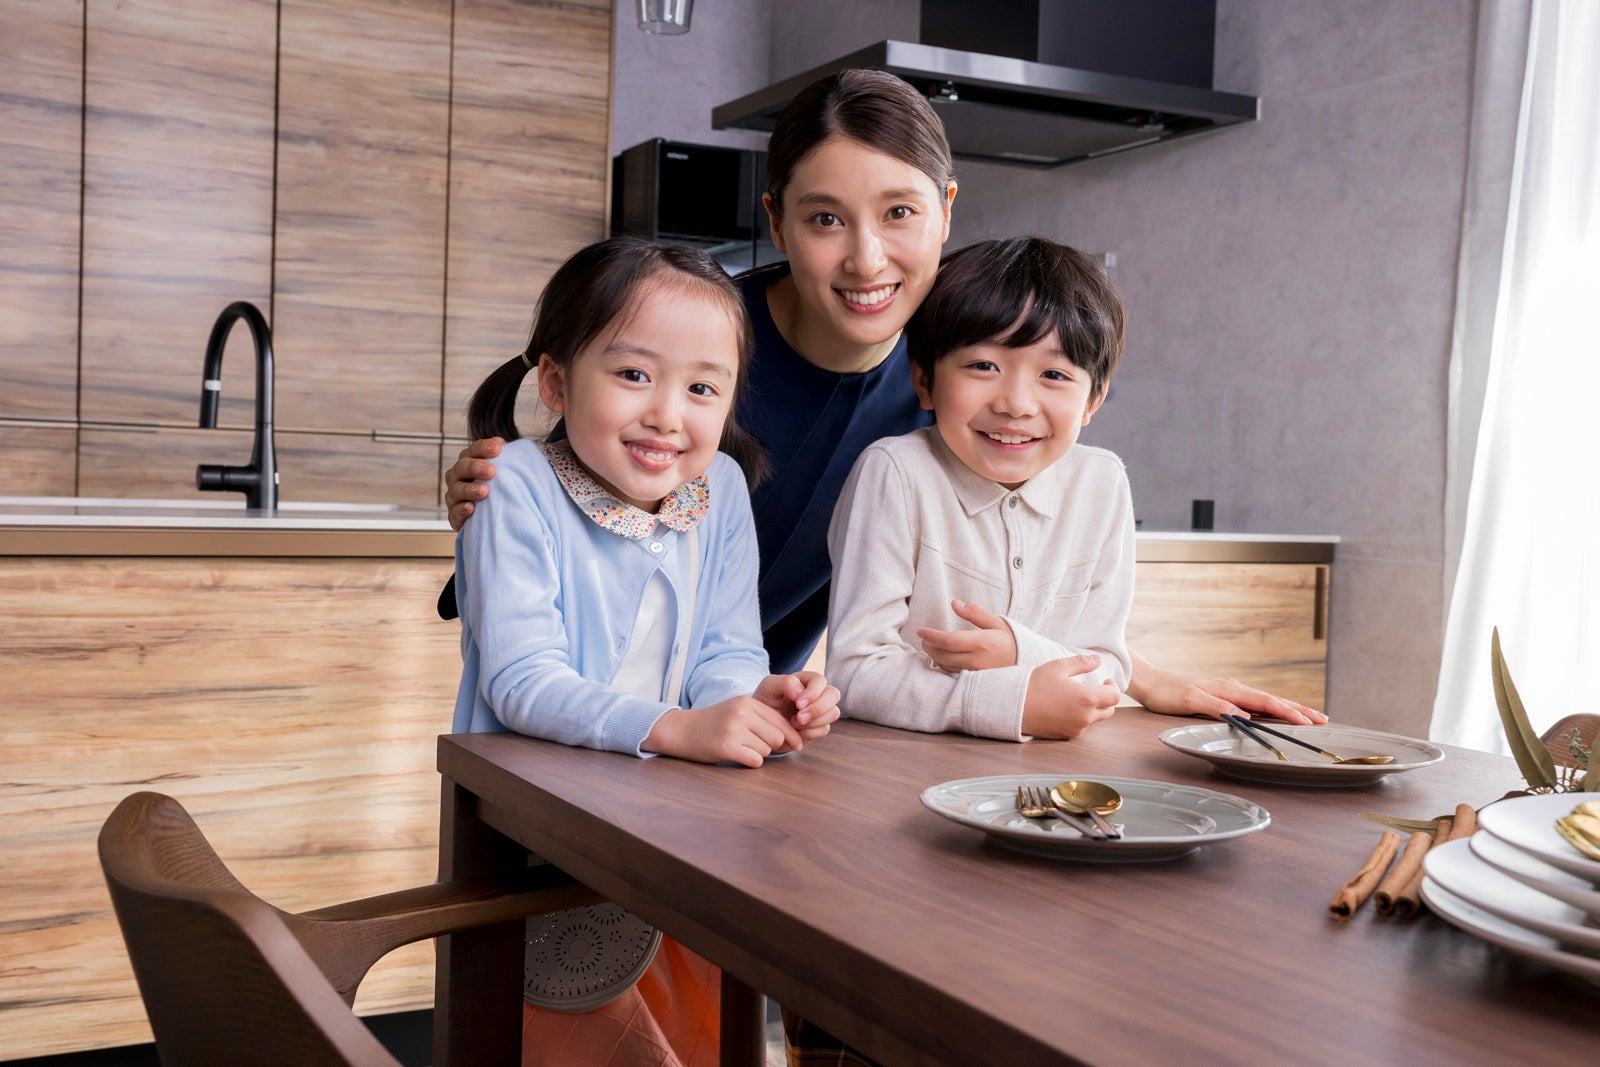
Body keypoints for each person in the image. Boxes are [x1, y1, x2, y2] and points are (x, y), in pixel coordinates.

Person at [443, 68, 1325, 730]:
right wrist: (499, 474)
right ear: (778, 219)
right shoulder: (702, 349)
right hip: (606, 706)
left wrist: (1134, 674)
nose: (867, 260)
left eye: (899, 213)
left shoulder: (956, 377)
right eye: (826, 219)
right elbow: (558, 537)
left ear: (945, 209)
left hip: (748, 702)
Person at [453, 235, 841, 1065]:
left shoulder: (722, 488)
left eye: (703, 387)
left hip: (672, 823)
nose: (669, 413)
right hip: (538, 832)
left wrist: (748, 701)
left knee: (700, 1019)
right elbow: (522, 680)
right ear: (557, 380)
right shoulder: (515, 483)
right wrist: (677, 728)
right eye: (634, 375)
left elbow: (727, 648)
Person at [828, 235, 1134, 741]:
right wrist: (1010, 701)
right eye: (983, 366)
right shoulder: (895, 472)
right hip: (903, 769)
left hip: (1051, 771)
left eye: (1054, 374)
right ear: (924, 381)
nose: (1016, 404)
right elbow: (856, 671)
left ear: (1093, 399)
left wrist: (1021, 653)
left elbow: (1110, 670)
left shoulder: (1101, 482)